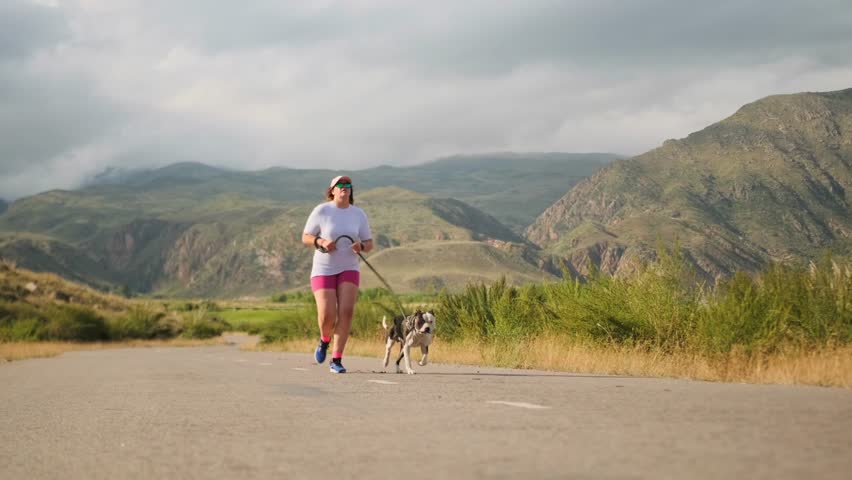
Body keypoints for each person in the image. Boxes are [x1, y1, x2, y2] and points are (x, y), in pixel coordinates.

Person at [302, 175, 374, 373]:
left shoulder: (358, 214)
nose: (345, 187)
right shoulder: (322, 210)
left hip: (349, 267)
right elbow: (306, 236)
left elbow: (369, 243)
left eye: (348, 185)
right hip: (323, 268)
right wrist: (322, 242)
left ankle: (337, 359)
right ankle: (324, 340)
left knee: (347, 312)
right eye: (340, 185)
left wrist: (361, 246)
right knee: (327, 316)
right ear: (332, 190)